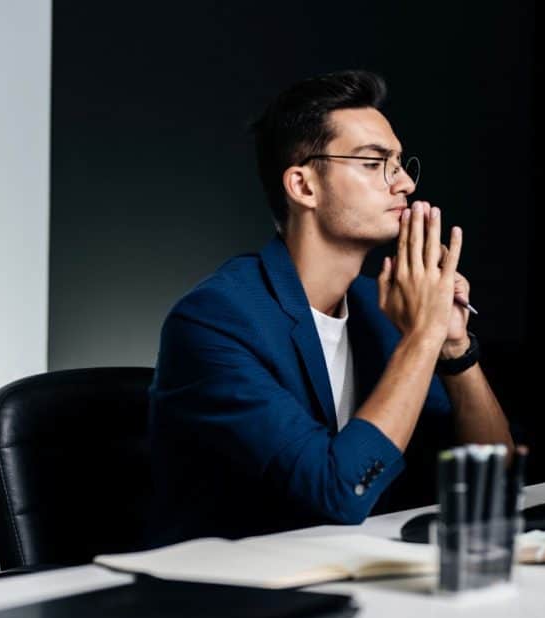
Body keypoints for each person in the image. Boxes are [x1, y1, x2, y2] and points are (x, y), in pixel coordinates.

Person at [147, 70, 514, 542]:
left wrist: (454, 347)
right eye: (372, 163)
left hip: (364, 579)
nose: (402, 182)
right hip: (236, 596)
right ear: (303, 186)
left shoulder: (377, 306)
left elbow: (496, 478)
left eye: (400, 163)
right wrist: (421, 334)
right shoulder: (214, 322)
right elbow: (338, 491)